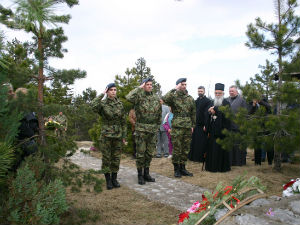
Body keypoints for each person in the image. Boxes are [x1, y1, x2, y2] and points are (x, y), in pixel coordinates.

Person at [126, 78, 161, 185]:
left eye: (151, 84)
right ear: (143, 86)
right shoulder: (138, 96)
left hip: (152, 130)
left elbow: (159, 112)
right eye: (147, 84)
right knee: (141, 153)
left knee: (149, 153)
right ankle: (140, 175)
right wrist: (139, 88)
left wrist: (157, 125)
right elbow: (128, 97)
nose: (150, 86)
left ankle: (147, 173)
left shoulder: (155, 97)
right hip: (141, 129)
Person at [91, 83, 127, 190]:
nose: (113, 92)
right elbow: (93, 106)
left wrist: (124, 135)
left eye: (115, 90)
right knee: (106, 158)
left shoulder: (120, 104)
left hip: (118, 135)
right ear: (107, 91)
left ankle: (114, 179)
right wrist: (101, 94)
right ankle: (108, 180)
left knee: (116, 158)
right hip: (106, 135)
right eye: (111, 90)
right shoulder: (102, 104)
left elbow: (123, 121)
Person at [162, 78, 196, 178]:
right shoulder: (173, 97)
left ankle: (183, 168)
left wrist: (193, 125)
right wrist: (174, 89)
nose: (184, 86)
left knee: (185, 149)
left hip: (187, 127)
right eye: (182, 84)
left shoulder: (190, 98)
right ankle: (176, 169)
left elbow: (193, 113)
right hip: (177, 127)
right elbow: (164, 98)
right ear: (178, 85)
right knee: (177, 149)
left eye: (185, 84)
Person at [205, 83, 231, 172]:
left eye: (219, 93)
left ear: (223, 93)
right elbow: (207, 114)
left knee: (221, 150)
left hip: (222, 131)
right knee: (212, 150)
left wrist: (215, 112)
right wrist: (209, 112)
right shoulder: (212, 102)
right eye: (216, 93)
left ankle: (221, 168)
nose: (217, 95)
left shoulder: (226, 103)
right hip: (212, 131)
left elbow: (227, 118)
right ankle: (211, 167)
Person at [227, 85, 248, 166]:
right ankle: (231, 161)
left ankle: (239, 162)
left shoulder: (242, 100)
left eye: (232, 91)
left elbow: (245, 113)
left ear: (237, 91)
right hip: (229, 126)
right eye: (230, 91)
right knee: (231, 146)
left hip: (239, 126)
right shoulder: (227, 99)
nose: (231, 92)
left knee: (238, 146)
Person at [188, 86, 211, 162]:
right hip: (195, 125)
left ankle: (200, 158)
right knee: (194, 142)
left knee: (201, 143)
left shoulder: (208, 101)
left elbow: (207, 114)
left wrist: (206, 124)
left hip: (202, 126)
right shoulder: (196, 101)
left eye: (201, 91)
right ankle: (193, 157)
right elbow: (192, 113)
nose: (200, 92)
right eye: (199, 91)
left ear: (204, 91)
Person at [249, 96, 274, 165]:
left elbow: (268, 107)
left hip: (267, 126)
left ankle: (270, 161)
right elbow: (250, 113)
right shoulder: (252, 103)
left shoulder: (264, 100)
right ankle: (257, 162)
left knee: (269, 145)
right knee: (257, 145)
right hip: (257, 127)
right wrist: (253, 105)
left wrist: (259, 101)